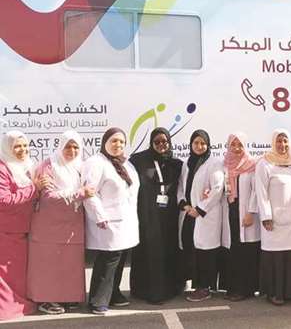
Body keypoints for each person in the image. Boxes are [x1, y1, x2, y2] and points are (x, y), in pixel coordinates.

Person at [28, 131, 94, 314]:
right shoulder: (48, 165)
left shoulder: (81, 167)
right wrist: (79, 194)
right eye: (68, 146)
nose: (71, 151)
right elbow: (49, 197)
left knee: (69, 263)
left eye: (75, 147)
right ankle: (46, 300)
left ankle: (68, 298)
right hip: (48, 226)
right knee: (48, 264)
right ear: (60, 146)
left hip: (73, 225)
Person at [82, 128, 140, 315]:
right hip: (108, 222)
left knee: (120, 257)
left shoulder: (125, 164)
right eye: (114, 141)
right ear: (105, 142)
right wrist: (99, 216)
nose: (118, 145)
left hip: (126, 221)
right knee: (108, 259)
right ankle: (97, 300)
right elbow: (90, 193)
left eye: (121, 142)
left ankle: (114, 294)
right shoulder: (96, 163)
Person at [129, 128, 183, 304]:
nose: (161, 145)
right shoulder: (138, 161)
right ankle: (148, 291)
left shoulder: (176, 164)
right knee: (150, 252)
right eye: (157, 142)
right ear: (151, 143)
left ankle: (171, 288)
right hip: (147, 216)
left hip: (169, 217)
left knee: (168, 250)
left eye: (164, 141)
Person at [256, 129, 291, 305]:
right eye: (279, 141)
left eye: (285, 141)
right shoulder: (264, 163)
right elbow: (261, 192)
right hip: (275, 220)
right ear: (273, 142)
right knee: (276, 256)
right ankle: (275, 292)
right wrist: (266, 216)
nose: (282, 145)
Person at [177, 130, 225, 302]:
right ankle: (196, 285)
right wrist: (184, 204)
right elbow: (181, 187)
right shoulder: (186, 163)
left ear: (208, 145)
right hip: (190, 213)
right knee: (193, 250)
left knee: (206, 252)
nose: (199, 146)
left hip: (206, 215)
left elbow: (217, 189)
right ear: (191, 144)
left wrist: (200, 208)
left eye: (203, 143)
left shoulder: (214, 163)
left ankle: (205, 287)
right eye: (196, 143)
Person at [0, 131, 43, 320]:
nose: (22, 150)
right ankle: (6, 309)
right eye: (17, 146)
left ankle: (21, 305)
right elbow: (4, 200)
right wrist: (33, 189)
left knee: (18, 273)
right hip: (6, 229)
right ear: (7, 148)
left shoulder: (28, 166)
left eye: (25, 146)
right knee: (5, 274)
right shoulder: (2, 168)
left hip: (24, 229)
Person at [221, 132, 260, 301]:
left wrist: (251, 212)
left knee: (247, 253)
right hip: (230, 212)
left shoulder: (252, 165)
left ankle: (246, 289)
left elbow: (256, 191)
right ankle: (233, 288)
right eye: (233, 145)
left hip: (246, 215)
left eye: (240, 145)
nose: (237, 148)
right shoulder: (224, 165)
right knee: (233, 251)